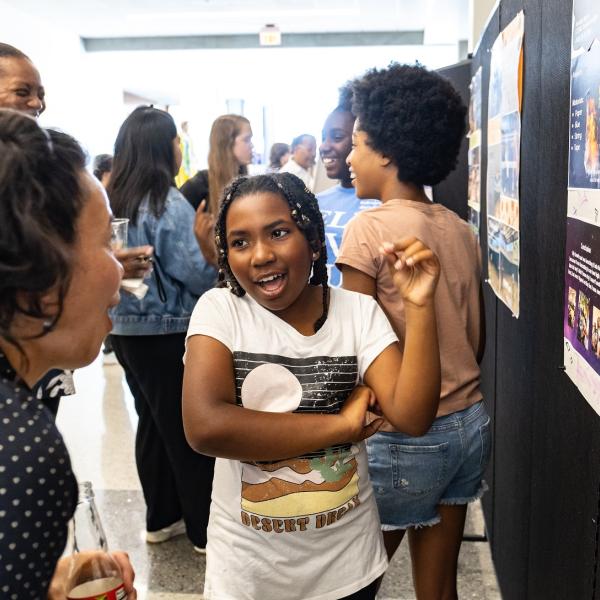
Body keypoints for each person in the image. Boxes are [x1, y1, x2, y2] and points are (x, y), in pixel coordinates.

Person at [182, 172, 442, 600]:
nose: (261, 254)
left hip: (347, 566)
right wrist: (341, 426)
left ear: (314, 240)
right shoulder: (220, 311)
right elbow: (206, 426)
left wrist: (419, 307)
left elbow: (413, 416)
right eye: (240, 242)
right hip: (248, 571)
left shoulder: (357, 313)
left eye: (279, 233)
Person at [337, 63, 489, 600]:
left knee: (353, 584)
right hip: (469, 424)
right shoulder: (461, 230)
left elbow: (348, 348)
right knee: (438, 588)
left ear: (386, 151)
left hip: (404, 438)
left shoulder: (368, 229)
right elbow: (475, 340)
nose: (348, 158)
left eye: (356, 143)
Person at [0, 109, 136, 598]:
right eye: (105, 242)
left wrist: (41, 582)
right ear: (39, 270)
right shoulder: (21, 451)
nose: (119, 268)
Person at [107, 106, 216, 553]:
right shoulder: (167, 201)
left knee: (152, 424)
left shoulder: (114, 199)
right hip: (169, 331)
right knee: (185, 431)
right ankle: (205, 532)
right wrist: (212, 255)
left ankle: (161, 518)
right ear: (162, 147)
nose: (179, 149)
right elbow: (194, 273)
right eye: (176, 141)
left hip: (126, 332)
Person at [317, 85, 378, 287]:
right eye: (323, 137)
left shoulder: (385, 204)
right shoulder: (316, 201)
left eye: (337, 137)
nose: (324, 146)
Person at [180, 113, 253, 214]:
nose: (252, 145)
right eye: (246, 140)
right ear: (227, 143)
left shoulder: (246, 182)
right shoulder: (198, 186)